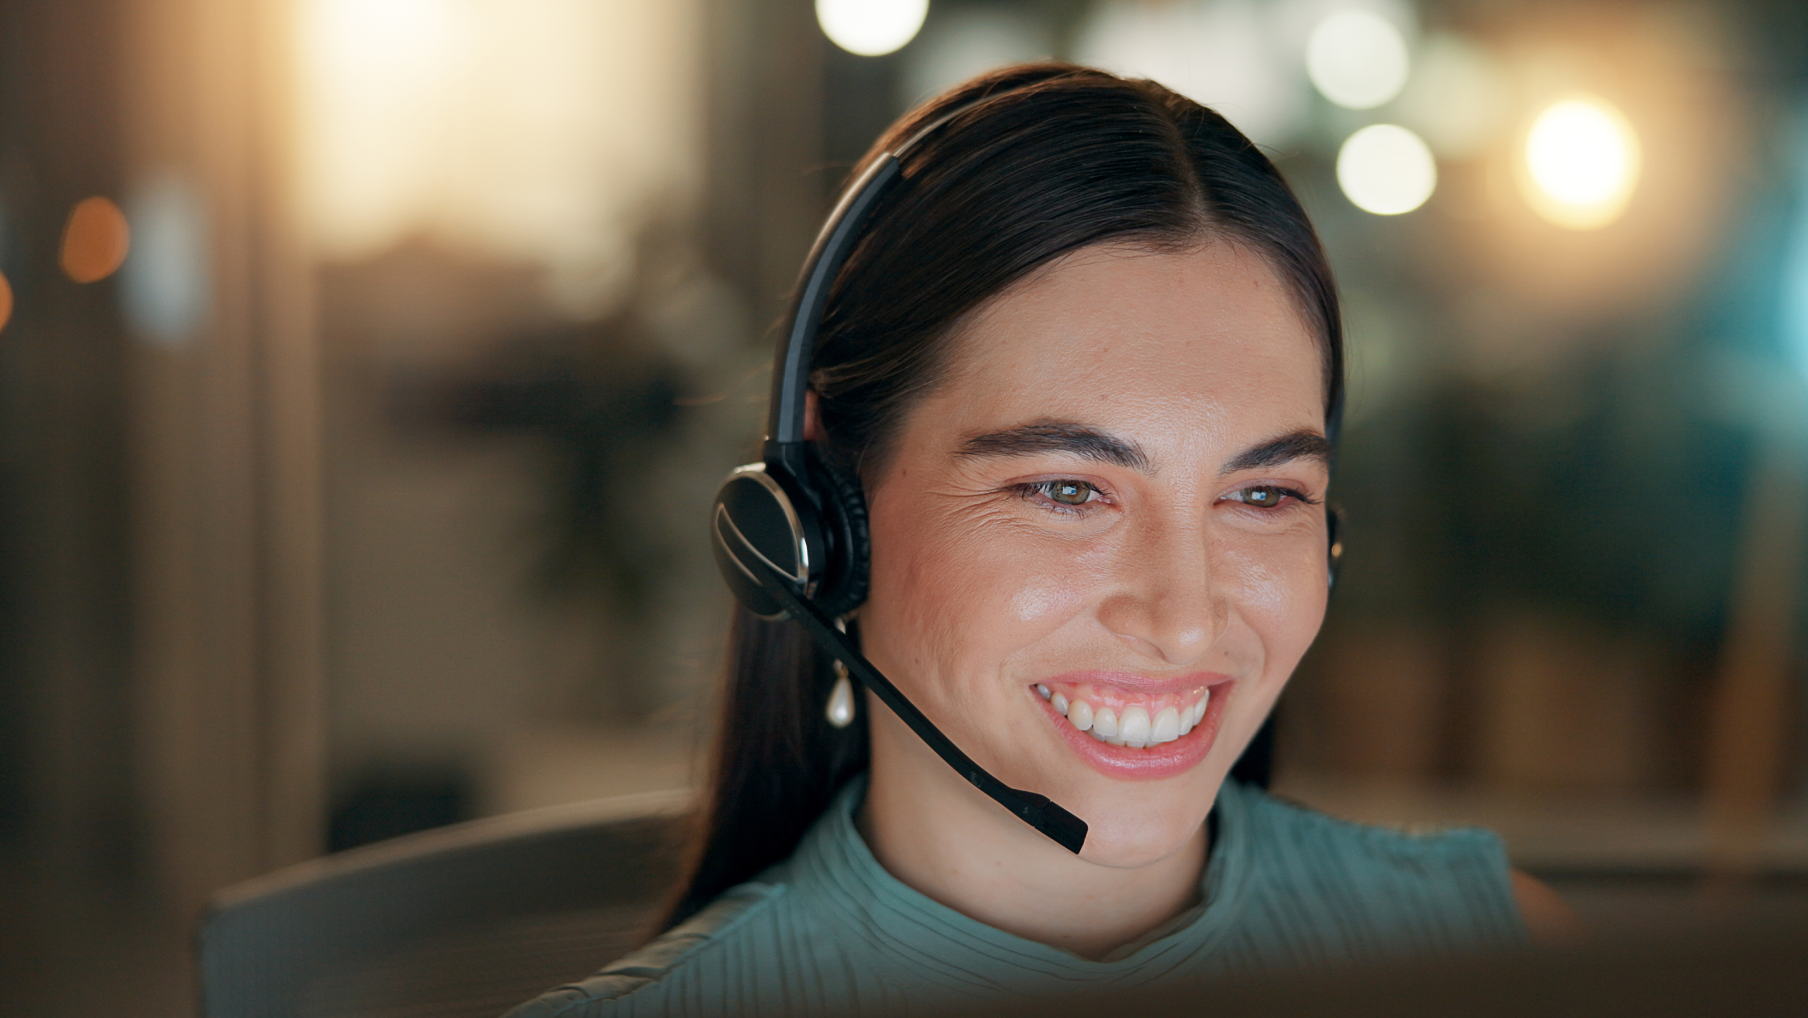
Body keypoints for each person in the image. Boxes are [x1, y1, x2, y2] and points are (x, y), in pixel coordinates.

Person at [507, 63, 1574, 1018]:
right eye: (1066, 487)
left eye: (1260, 496)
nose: (1185, 615)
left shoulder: (1499, 956)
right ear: (825, 515)